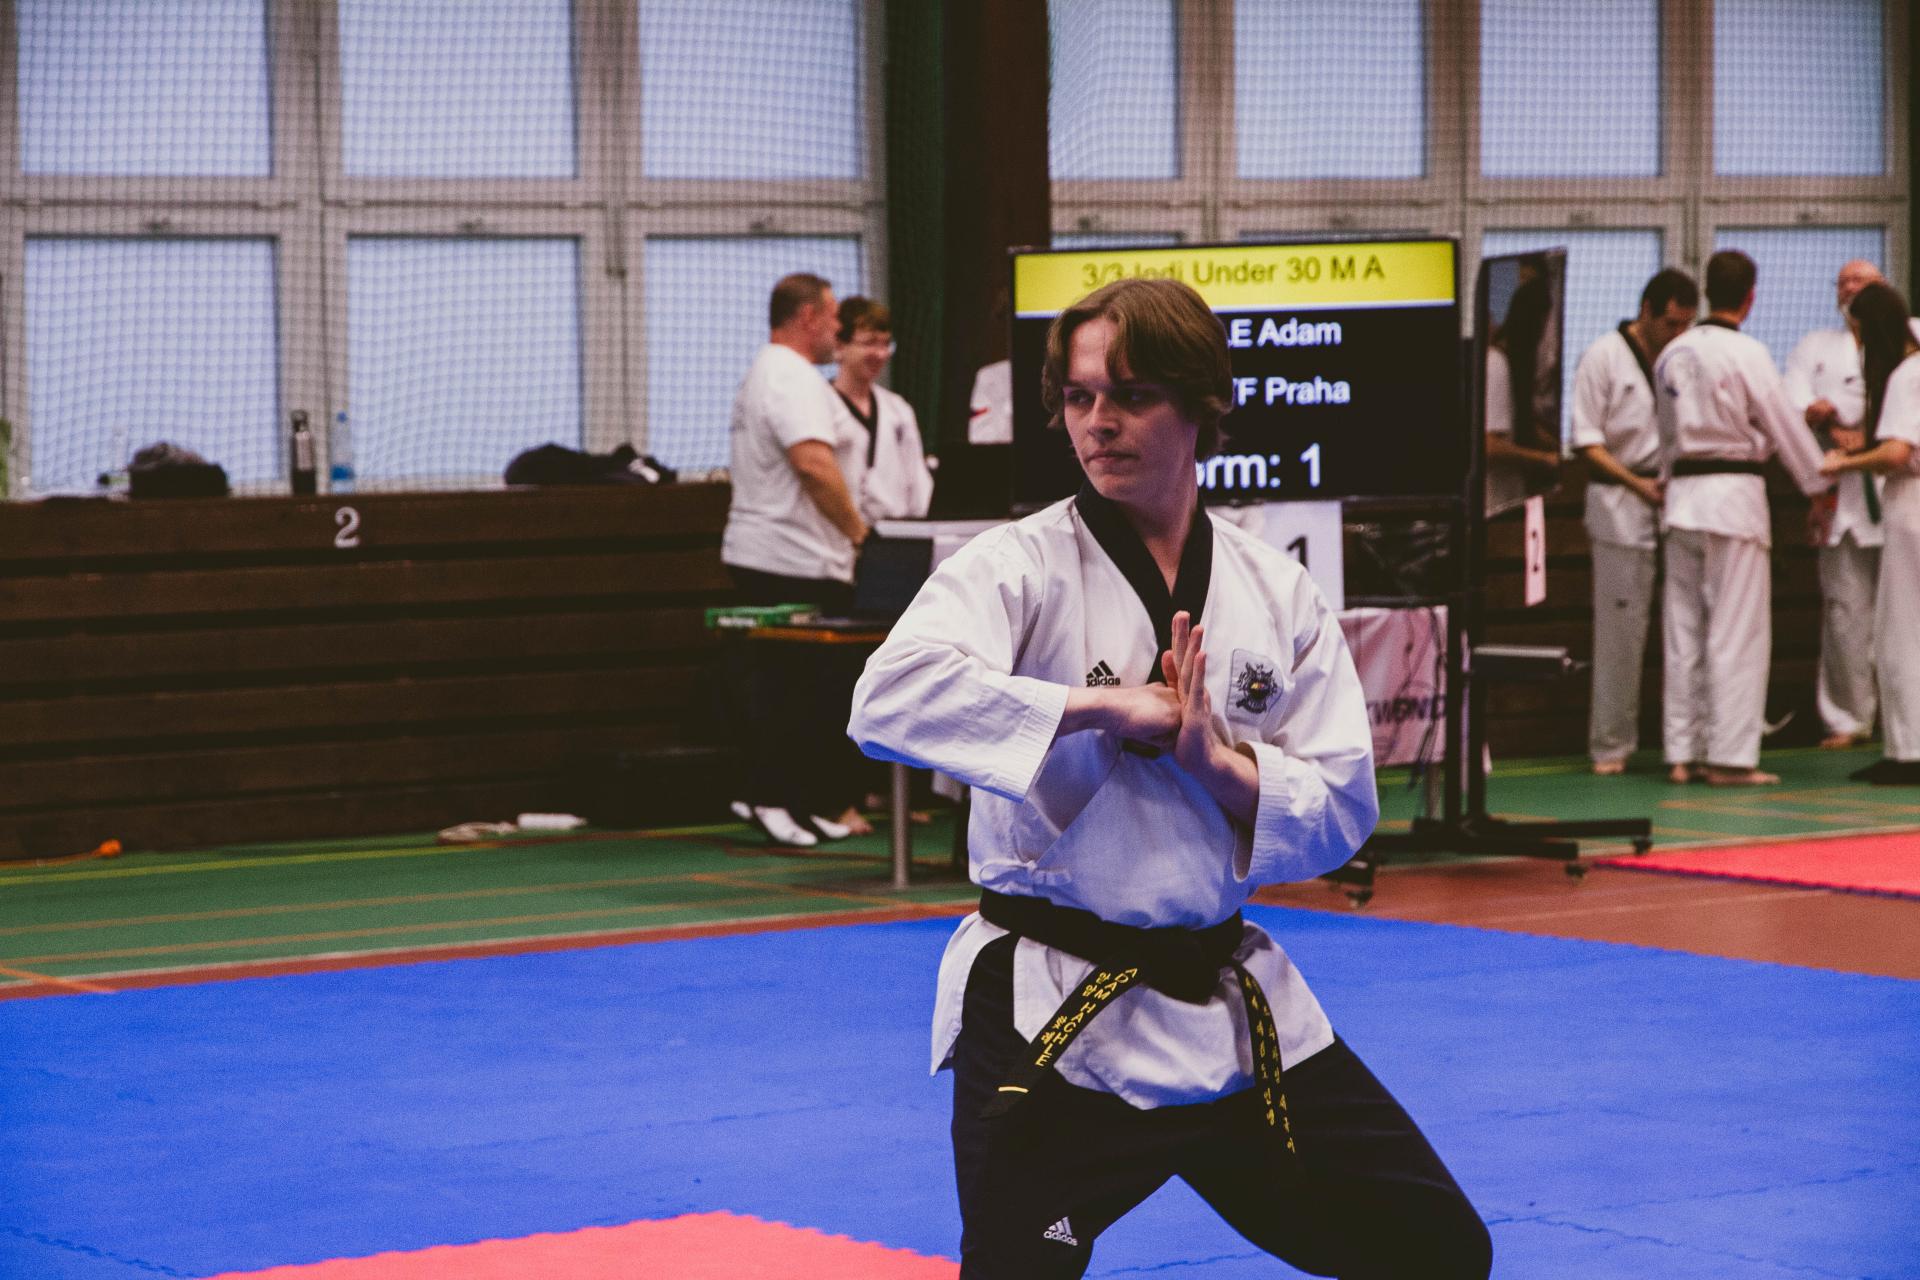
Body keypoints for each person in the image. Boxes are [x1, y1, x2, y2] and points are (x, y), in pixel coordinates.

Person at [848, 277, 1490, 1278]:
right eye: (1079, 397)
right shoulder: (1017, 565)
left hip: (1227, 1005)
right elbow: (885, 701)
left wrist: (1218, 764)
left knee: (1436, 1246)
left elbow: (1343, 803)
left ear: (1201, 406)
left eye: (1132, 395)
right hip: (1055, 1008)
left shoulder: (1273, 587)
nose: (1098, 422)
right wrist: (1100, 708)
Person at [1653, 250, 1831, 787]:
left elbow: (1665, 432)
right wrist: (1818, 486)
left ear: (1708, 291)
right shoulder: (1747, 352)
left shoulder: (1671, 353)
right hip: (1733, 500)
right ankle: (1729, 758)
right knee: (1735, 631)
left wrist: (1667, 481)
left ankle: (1681, 753)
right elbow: (1782, 424)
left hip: (1681, 499)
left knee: (1683, 631)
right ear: (1750, 297)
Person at [721, 272, 872, 847]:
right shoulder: (790, 376)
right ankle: (770, 796)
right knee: (790, 688)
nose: (839, 328)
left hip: (785, 554)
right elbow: (812, 464)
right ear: (808, 317)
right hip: (790, 557)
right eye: (833, 316)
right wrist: (858, 534)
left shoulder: (770, 371)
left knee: (806, 688)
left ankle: (799, 800)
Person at [1571, 268, 1699, 775]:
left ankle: (1687, 744)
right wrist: (1638, 485)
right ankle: (1611, 745)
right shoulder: (1603, 356)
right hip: (1620, 500)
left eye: (1686, 324)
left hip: (1677, 496)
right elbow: (1587, 442)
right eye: (1670, 323)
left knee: (1686, 626)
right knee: (1620, 631)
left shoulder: (1683, 358)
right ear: (1646, 310)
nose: (1678, 333)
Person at [1784, 260, 1908, 749]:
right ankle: (1849, 717)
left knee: (1905, 616)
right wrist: (1821, 417)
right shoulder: (1816, 347)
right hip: (1844, 497)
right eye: (1843, 282)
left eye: (1862, 282)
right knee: (1845, 612)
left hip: (1898, 489)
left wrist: (1867, 435)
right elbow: (1790, 405)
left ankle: (1905, 720)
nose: (1851, 289)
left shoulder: (1911, 342)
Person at [1818, 281, 1920, 785]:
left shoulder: (1905, 374)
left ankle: (1910, 750)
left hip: (1911, 506)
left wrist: (1845, 461)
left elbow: (1897, 453)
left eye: (1859, 333)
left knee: (1901, 631)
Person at [829, 297, 934, 524]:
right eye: (869, 343)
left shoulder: (898, 409)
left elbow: (918, 481)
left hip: (898, 531)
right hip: (842, 531)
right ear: (840, 346)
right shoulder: (821, 404)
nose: (880, 354)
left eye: (886, 344)